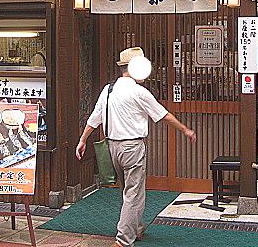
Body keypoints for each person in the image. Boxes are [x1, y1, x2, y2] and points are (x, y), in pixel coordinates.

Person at [76, 47, 197, 247]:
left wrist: (82, 140)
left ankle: (137, 227)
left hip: (112, 148)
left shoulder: (108, 89)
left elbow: (94, 118)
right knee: (133, 193)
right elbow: (163, 115)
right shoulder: (139, 92)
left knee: (129, 191)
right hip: (132, 147)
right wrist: (185, 130)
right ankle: (124, 240)